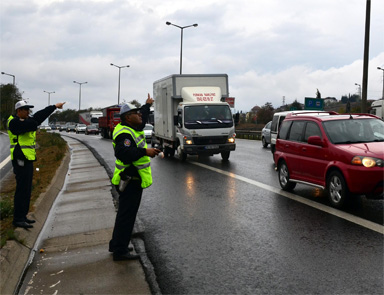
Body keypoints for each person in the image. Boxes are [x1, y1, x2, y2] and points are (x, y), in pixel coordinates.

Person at [109, 94, 161, 261]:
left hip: (132, 178)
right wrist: (145, 151)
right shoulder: (124, 133)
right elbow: (123, 153)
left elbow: (142, 119)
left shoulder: (132, 128)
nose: (140, 115)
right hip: (129, 179)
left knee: (125, 214)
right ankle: (120, 250)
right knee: (127, 215)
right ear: (127, 117)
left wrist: (146, 106)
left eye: (140, 113)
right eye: (136, 113)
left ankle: (117, 244)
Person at [7, 100, 66, 229]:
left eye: (29, 110)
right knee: (22, 190)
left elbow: (38, 117)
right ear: (19, 111)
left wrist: (54, 107)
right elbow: (34, 123)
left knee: (27, 189)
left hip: (27, 158)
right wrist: (32, 121)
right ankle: (18, 219)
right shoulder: (13, 122)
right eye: (26, 110)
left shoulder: (24, 119)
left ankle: (23, 216)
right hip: (20, 159)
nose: (28, 112)